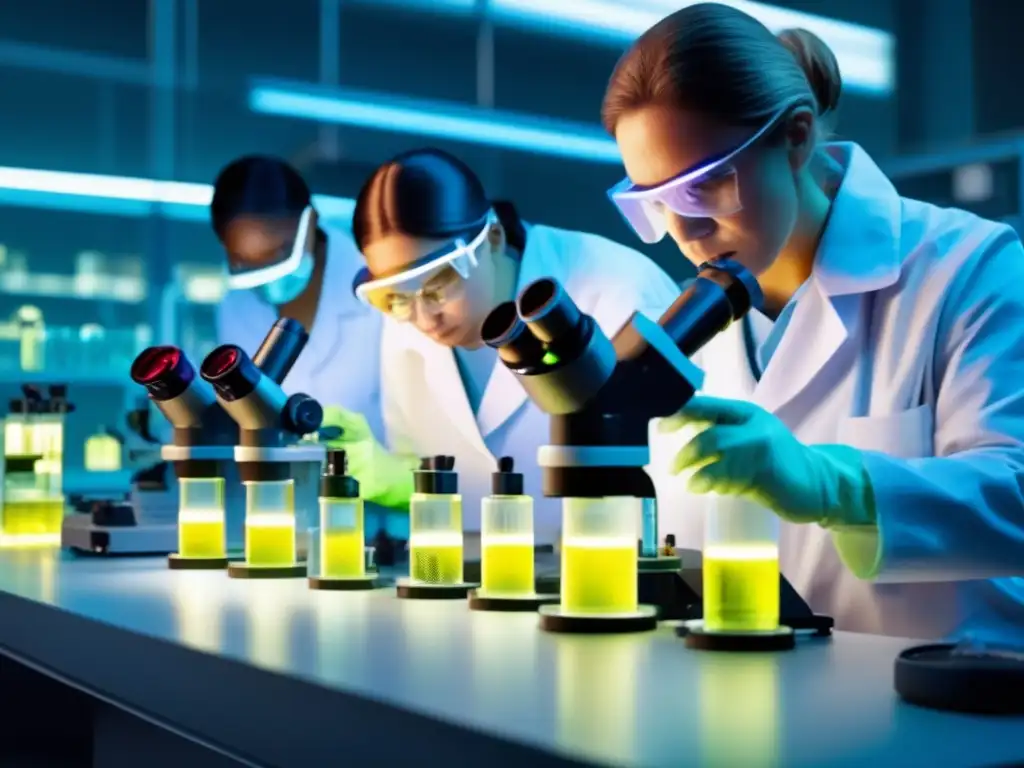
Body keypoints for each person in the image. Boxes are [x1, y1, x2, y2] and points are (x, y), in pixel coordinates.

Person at [601, 2, 1024, 641]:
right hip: (762, 705)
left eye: (704, 186)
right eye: (655, 201)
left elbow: (1016, 495)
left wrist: (838, 485)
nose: (681, 232)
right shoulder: (697, 327)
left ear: (796, 137)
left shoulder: (969, 267)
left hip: (946, 703)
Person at [323, 147, 681, 541]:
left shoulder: (616, 289)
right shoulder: (404, 322)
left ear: (492, 238)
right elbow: (427, 474)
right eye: (393, 297)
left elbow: (684, 478)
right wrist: (387, 473)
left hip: (610, 574)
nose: (423, 318)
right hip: (477, 578)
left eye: (439, 285)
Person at [212, 156, 384, 442]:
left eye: (280, 254)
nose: (269, 275)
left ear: (311, 221)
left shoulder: (374, 284)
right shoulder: (234, 308)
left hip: (378, 482)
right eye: (247, 262)